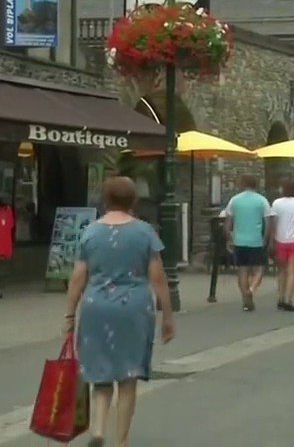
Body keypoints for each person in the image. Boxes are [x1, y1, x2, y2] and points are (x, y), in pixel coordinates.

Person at [65, 176, 174, 447]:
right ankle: (121, 441)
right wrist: (168, 315)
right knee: (127, 377)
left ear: (106, 199)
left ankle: (99, 429)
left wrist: (69, 314)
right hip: (134, 308)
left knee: (99, 374)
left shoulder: (90, 231)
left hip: (96, 308)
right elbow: (158, 277)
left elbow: (78, 276)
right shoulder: (145, 232)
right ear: (133, 200)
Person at [222, 175, 273, 311]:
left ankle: (245, 297)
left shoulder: (234, 200)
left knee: (242, 269)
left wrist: (229, 239)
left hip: (239, 240)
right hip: (256, 240)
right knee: (259, 269)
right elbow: (268, 223)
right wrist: (265, 239)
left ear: (243, 184)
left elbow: (227, 223)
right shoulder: (262, 201)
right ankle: (251, 289)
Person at [270, 179, 294, 311]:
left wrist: (272, 239)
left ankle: (280, 298)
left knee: (281, 272)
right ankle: (289, 300)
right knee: (292, 272)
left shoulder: (276, 203)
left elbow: (273, 222)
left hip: (280, 240)